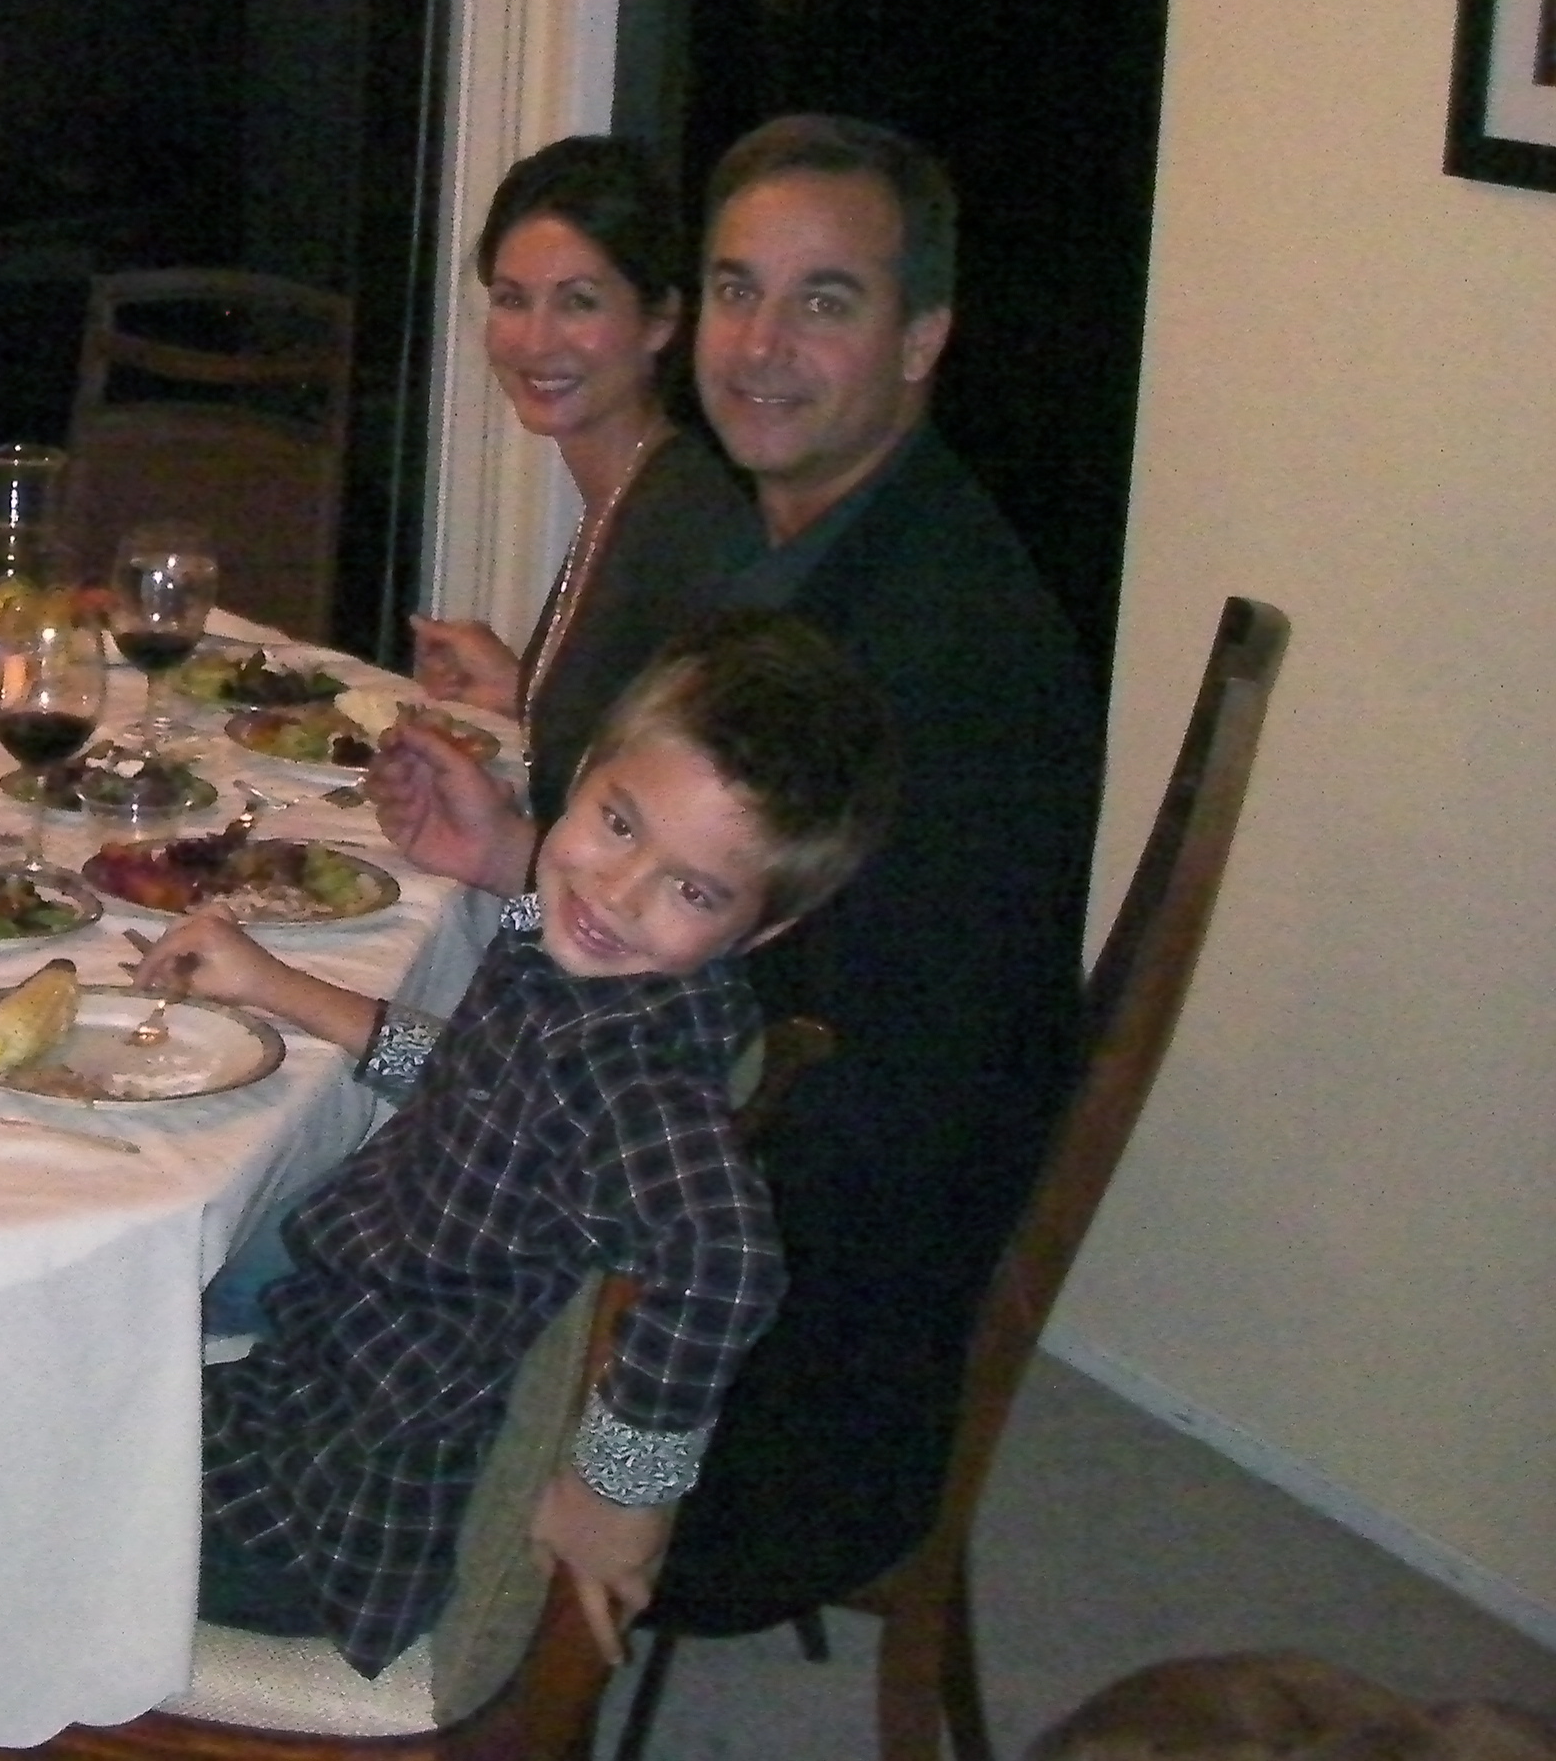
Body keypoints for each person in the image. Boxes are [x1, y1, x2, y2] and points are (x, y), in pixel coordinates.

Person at [369, 112, 1105, 1632]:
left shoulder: (915, 656)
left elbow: (804, 1111)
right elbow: (709, 937)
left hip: (766, 1368)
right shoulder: (817, 557)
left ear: (922, 339)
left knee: (269, 1254)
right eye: (738, 288)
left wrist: (625, 1451)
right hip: (753, 1226)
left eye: (825, 300)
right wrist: (518, 856)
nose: (762, 345)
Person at [145, 612, 898, 1676]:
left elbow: (728, 1263)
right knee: (59, 1388)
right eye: (619, 823)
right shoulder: (582, 986)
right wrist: (286, 991)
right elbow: (475, 1083)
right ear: (583, 775)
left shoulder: (632, 1079)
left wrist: (619, 1492)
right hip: (310, 1398)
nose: (615, 893)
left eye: (693, 890)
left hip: (332, 1507)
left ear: (760, 932)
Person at [406, 135, 758, 820]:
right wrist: (530, 689)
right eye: (512, 300)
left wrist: (513, 869)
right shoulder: (631, 491)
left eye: (578, 302)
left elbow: (683, 835)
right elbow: (623, 720)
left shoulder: (686, 527)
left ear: (658, 321)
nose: (536, 341)